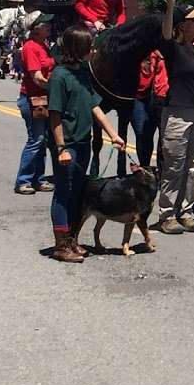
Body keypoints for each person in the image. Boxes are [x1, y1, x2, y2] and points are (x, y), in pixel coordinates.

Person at [47, 26, 125, 262]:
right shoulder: (59, 76)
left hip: (83, 142)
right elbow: (55, 115)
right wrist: (61, 148)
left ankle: (72, 238)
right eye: (89, 46)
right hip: (67, 144)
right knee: (63, 191)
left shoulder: (82, 73)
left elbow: (94, 106)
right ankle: (61, 245)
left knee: (78, 192)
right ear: (76, 49)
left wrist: (113, 133)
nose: (92, 49)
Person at [156, 0, 194, 234]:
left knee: (193, 165)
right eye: (193, 21)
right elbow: (165, 33)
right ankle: (167, 214)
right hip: (177, 113)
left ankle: (186, 211)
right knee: (174, 165)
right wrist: (170, 4)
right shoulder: (173, 49)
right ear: (182, 26)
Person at [14, 13, 56, 195]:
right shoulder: (31, 47)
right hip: (32, 100)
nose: (49, 26)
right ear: (36, 28)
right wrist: (57, 88)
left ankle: (38, 179)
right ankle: (23, 180)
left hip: (42, 99)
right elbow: (37, 77)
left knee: (42, 140)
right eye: (45, 24)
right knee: (36, 140)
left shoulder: (43, 45)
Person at [131, 49, 168, 169]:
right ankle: (144, 169)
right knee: (142, 134)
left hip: (160, 97)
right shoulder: (143, 47)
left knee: (163, 140)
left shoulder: (170, 48)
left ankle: (161, 175)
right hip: (140, 96)